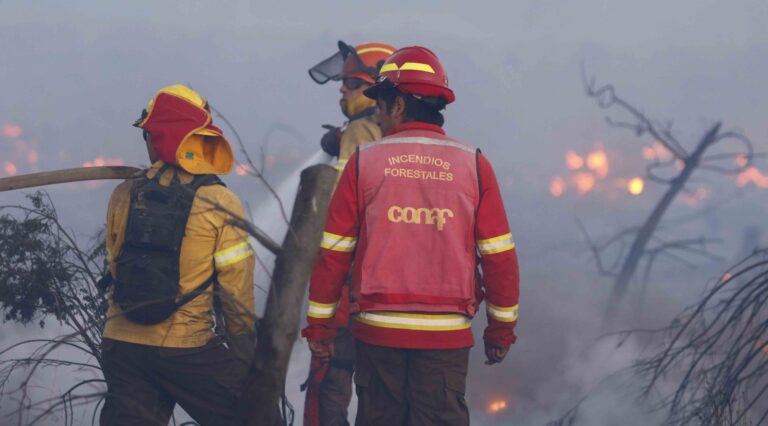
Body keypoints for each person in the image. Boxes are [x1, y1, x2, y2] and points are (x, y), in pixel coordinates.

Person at [303, 46, 520, 425]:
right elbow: (499, 257)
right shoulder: (473, 164)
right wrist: (500, 330)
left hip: (377, 337)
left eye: (382, 105)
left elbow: (334, 254)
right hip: (446, 341)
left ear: (399, 106)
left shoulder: (363, 163)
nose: (379, 115)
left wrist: (320, 327)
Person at [99, 84, 256, 426]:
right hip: (187, 349)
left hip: (121, 347)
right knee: (256, 417)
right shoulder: (220, 200)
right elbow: (235, 287)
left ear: (156, 139)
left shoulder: (124, 193)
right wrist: (245, 353)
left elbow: (115, 266)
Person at [304, 40, 395, 426]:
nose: (342, 90)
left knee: (332, 379)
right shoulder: (399, 136)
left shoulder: (360, 131)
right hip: (391, 287)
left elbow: (339, 214)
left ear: (376, 89)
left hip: (351, 284)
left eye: (353, 84)